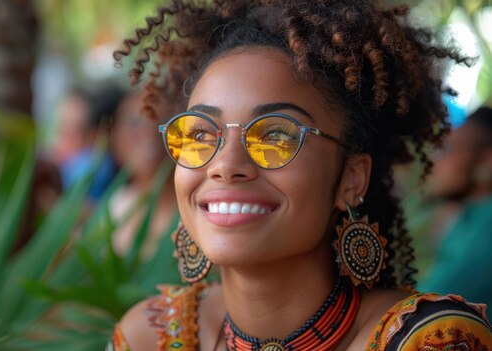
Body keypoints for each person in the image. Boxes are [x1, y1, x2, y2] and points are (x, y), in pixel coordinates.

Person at [107, 1, 492, 350]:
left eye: (275, 135)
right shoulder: (149, 335)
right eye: (200, 134)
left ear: (351, 179)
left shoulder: (430, 341)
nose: (224, 164)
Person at [417, 106, 492, 319]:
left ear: (488, 159)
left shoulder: (487, 228)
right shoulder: (468, 218)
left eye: (447, 149)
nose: (433, 160)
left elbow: (426, 308)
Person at [109, 90, 178, 258]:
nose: (149, 131)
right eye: (135, 122)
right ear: (116, 137)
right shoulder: (112, 210)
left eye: (162, 122)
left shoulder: (197, 210)